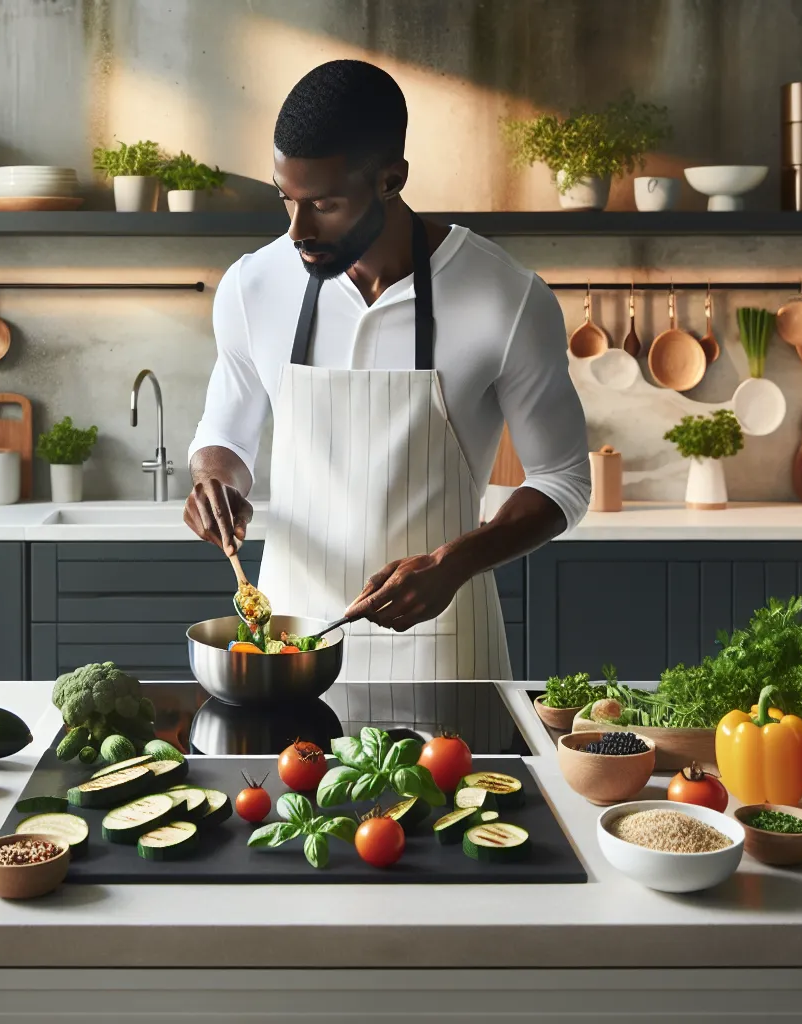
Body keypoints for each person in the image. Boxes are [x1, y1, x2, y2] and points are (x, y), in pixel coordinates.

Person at [183, 60, 591, 680]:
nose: (298, 230)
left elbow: (563, 479)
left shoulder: (505, 298)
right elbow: (226, 434)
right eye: (286, 200)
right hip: (290, 646)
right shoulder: (252, 286)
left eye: (324, 204)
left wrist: (455, 562)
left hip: (445, 648)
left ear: (391, 179)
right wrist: (218, 483)